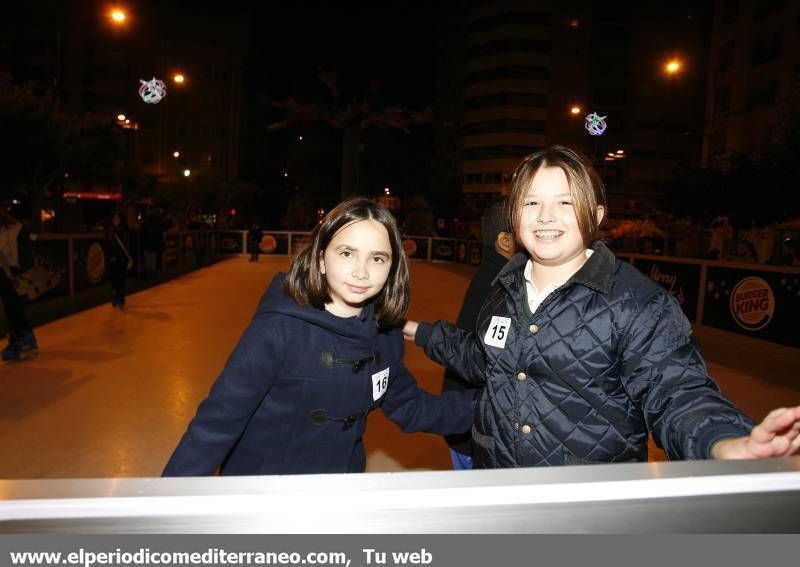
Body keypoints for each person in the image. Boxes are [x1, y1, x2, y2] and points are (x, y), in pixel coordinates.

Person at [404, 146, 800, 468]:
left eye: (564, 202)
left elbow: (677, 391)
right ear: (514, 216)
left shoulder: (638, 303)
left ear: (595, 216)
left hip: (587, 509)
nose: (546, 217)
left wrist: (725, 441)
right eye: (531, 203)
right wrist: (414, 330)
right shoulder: (504, 286)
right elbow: (480, 355)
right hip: (502, 491)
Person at [163, 197, 474, 476]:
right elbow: (216, 425)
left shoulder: (383, 334)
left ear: (393, 269)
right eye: (347, 253)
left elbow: (409, 406)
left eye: (377, 258)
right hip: (266, 499)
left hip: (338, 492)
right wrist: (164, 513)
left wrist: (490, 407)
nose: (361, 272)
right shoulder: (278, 332)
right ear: (322, 259)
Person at [444, 198, 517, 470]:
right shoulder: (501, 285)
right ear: (505, 242)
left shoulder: (493, 274)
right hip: (474, 432)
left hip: (465, 426)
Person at [0, 206, 38, 361]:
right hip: (9, 272)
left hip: (11, 272)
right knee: (12, 307)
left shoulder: (12, 229)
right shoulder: (12, 227)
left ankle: (21, 340)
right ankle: (24, 338)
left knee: (12, 307)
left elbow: (7, 254)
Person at [106, 212, 132, 309]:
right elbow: (107, 244)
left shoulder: (124, 231)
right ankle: (116, 296)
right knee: (114, 280)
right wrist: (110, 256)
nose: (115, 220)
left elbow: (125, 245)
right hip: (112, 260)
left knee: (121, 279)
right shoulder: (110, 231)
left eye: (117, 218)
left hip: (121, 259)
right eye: (114, 218)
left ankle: (120, 299)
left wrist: (117, 256)